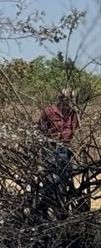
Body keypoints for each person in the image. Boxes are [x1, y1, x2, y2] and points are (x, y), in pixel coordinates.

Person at [36, 89, 80, 217]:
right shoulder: (49, 111)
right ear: (60, 98)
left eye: (71, 98)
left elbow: (75, 128)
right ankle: (52, 209)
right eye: (66, 98)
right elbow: (39, 128)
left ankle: (51, 208)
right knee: (53, 180)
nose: (68, 101)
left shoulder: (73, 113)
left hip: (65, 148)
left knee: (64, 178)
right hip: (51, 147)